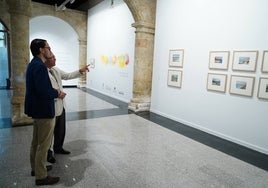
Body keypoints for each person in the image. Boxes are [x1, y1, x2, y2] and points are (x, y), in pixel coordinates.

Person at [24, 39, 66, 186]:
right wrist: (57, 93)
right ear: (42, 50)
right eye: (48, 47)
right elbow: (43, 91)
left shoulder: (33, 64)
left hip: (36, 109)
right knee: (43, 144)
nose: (50, 50)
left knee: (36, 142)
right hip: (43, 110)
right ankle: (41, 177)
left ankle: (36, 168)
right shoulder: (40, 66)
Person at [45, 53, 89, 163]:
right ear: (46, 60)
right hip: (51, 106)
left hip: (61, 105)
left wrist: (80, 71)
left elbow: (68, 76)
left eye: (55, 56)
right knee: (49, 133)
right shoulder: (43, 72)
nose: (55, 58)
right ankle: (48, 153)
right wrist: (56, 94)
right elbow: (43, 90)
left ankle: (58, 148)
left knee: (61, 129)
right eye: (53, 57)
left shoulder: (55, 69)